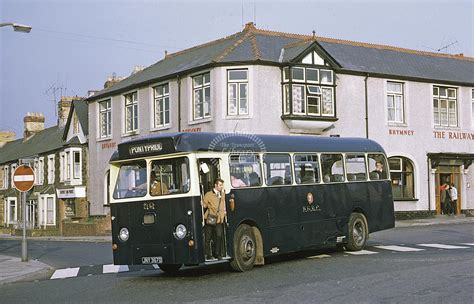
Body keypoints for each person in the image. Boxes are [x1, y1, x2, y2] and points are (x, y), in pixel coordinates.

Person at [202, 178, 226, 260]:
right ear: (215, 185)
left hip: (219, 219)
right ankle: (209, 254)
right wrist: (202, 203)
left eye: (222, 185)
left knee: (219, 235)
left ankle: (217, 253)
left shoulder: (222, 194)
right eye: (220, 185)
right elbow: (204, 205)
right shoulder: (208, 194)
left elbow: (223, 205)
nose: (221, 187)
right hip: (210, 218)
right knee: (208, 237)